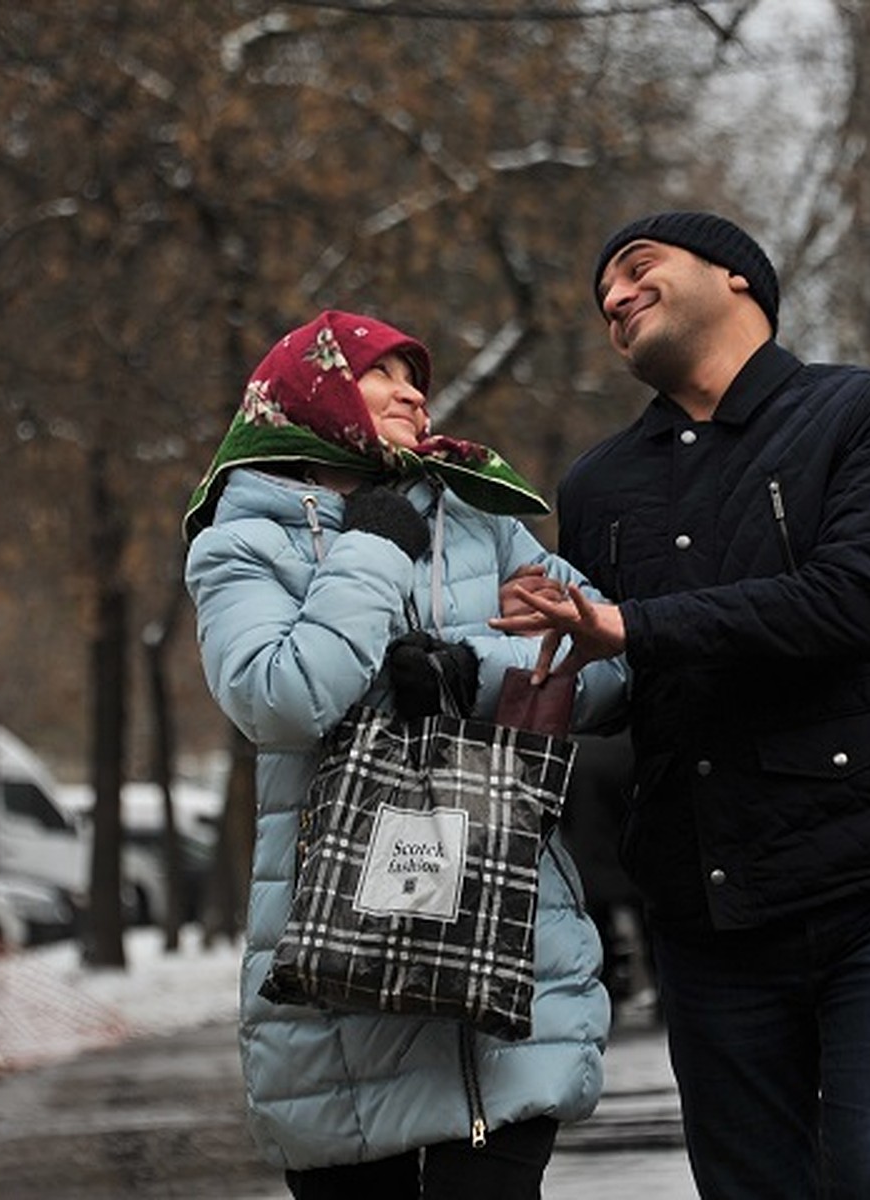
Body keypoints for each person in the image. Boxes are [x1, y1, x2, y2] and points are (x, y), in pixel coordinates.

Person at [492, 212, 870, 1199]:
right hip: (708, 909)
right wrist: (496, 663)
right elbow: (601, 676)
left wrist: (630, 626)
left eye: (637, 271)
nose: (617, 300)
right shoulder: (598, 485)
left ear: (738, 278)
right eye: (605, 301)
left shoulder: (865, 413)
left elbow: (857, 602)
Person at [183, 309, 626, 1200]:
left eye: (416, 375)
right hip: (340, 986)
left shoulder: (482, 517)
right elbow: (282, 697)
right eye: (382, 374)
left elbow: (610, 668)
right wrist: (373, 549)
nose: (414, 393)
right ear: (311, 393)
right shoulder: (239, 546)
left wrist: (470, 666)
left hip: (501, 967)